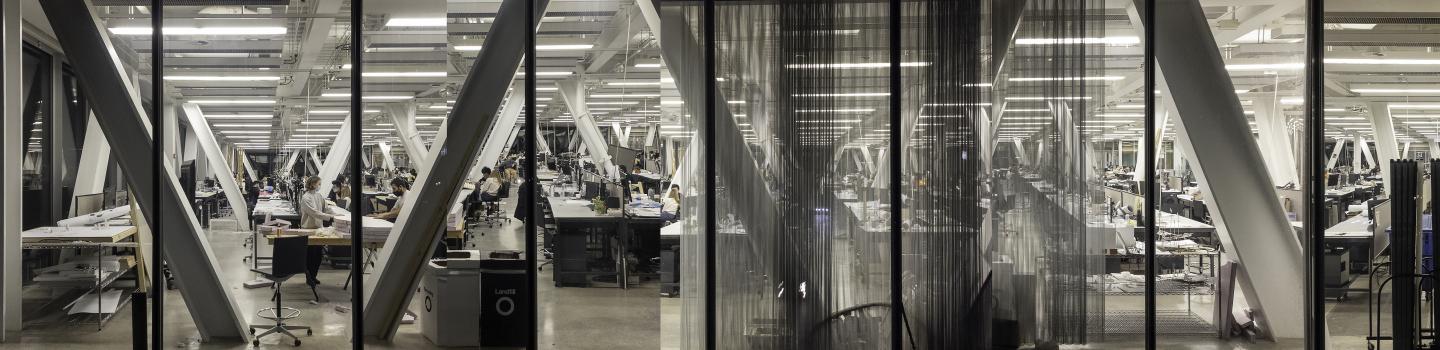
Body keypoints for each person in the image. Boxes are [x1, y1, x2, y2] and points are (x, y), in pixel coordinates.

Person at [298, 176, 335, 286]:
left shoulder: (319, 196)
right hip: (308, 229)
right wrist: (330, 217)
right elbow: (314, 212)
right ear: (313, 184)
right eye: (319, 184)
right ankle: (309, 277)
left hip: (319, 229)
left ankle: (313, 276)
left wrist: (337, 215)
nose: (320, 186)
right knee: (310, 255)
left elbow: (326, 208)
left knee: (318, 255)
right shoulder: (306, 198)